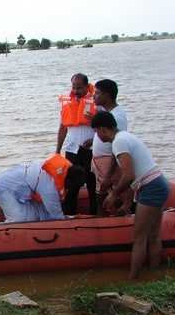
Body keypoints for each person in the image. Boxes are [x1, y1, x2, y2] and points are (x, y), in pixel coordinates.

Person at [92, 111, 170, 279]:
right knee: (154, 235)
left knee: (139, 238)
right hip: (158, 182)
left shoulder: (119, 142)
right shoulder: (124, 136)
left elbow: (129, 175)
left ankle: (133, 279)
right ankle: (154, 275)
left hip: (151, 187)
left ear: (103, 129)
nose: (97, 137)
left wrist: (113, 195)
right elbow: (122, 167)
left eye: (96, 132)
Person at [0, 154, 85, 222]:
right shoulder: (50, 188)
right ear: (69, 181)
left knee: (39, 215)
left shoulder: (66, 168)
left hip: (23, 186)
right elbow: (57, 216)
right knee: (18, 220)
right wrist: (70, 220)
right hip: (5, 187)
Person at [56, 73, 97, 215]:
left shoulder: (96, 103)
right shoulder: (67, 103)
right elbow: (62, 128)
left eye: (79, 88)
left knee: (93, 185)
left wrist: (94, 140)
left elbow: (106, 128)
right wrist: (57, 151)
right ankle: (69, 215)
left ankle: (95, 214)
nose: (76, 91)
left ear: (87, 86)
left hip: (91, 151)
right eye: (74, 87)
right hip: (72, 151)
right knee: (71, 186)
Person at [91, 79, 131, 215]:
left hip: (110, 164)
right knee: (101, 196)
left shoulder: (116, 116)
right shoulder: (105, 112)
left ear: (107, 95)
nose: (94, 96)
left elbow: (118, 145)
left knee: (115, 197)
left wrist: (109, 173)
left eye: (97, 93)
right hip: (100, 162)